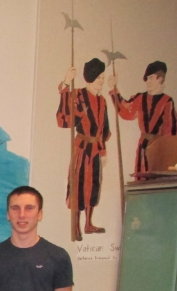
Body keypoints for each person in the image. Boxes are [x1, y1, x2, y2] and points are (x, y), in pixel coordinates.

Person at [57, 58, 111, 240]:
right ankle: (75, 226)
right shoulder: (78, 95)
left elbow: (104, 129)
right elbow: (66, 119)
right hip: (81, 148)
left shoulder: (102, 101)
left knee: (93, 186)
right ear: (91, 77)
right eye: (99, 77)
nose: (101, 81)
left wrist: (103, 151)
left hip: (95, 149)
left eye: (102, 77)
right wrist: (66, 83)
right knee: (78, 186)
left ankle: (88, 223)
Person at [108, 60, 177, 174]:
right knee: (142, 175)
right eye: (147, 79)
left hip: (159, 148)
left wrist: (165, 149)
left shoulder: (167, 101)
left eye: (151, 78)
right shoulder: (140, 98)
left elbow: (171, 129)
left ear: (160, 79)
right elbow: (126, 112)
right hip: (143, 146)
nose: (148, 81)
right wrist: (114, 90)